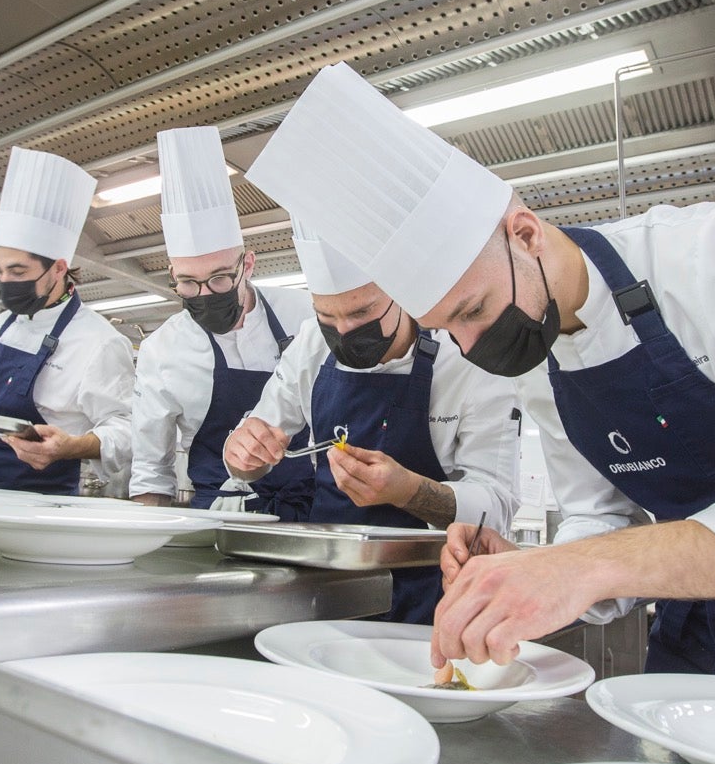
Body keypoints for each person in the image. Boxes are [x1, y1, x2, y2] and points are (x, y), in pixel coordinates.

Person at [248, 62, 715, 717]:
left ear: (526, 232)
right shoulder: (536, 355)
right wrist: (531, 564)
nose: (472, 345)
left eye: (471, 311)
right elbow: (601, 516)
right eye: (449, 328)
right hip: (700, 618)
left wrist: (585, 565)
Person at [221, 218, 521, 623]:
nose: (344, 332)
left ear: (404, 293)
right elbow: (251, 447)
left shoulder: (468, 357)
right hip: (323, 589)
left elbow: (497, 506)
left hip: (431, 593)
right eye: (328, 317)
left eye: (362, 312)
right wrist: (243, 452)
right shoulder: (310, 344)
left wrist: (409, 491)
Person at [129, 127, 316, 515]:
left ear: (247, 264)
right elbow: (151, 467)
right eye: (187, 283)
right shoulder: (161, 350)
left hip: (313, 510)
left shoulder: (305, 314)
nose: (204, 294)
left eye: (218, 278)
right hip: (219, 516)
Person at [0, 147, 134, 496]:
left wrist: (72, 447)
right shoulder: (4, 323)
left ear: (59, 268)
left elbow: (128, 428)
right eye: (0, 271)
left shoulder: (100, 341)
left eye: (19, 271)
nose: (6, 282)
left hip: (40, 502)